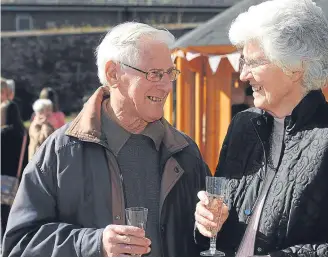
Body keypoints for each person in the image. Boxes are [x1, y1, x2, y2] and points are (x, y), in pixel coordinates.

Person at [194, 0, 328, 256]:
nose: (243, 75)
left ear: (294, 67)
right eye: (243, 62)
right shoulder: (243, 126)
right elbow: (224, 216)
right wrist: (208, 222)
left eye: (254, 63)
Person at [2, 22, 209, 257]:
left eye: (170, 74)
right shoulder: (61, 152)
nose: (166, 86)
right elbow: (19, 245)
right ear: (113, 74)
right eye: (154, 74)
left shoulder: (186, 152)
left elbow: (206, 241)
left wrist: (211, 227)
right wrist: (94, 244)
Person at [1, 84, 28, 240]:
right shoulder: (24, 133)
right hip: (17, 179)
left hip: (2, 177)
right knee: (14, 214)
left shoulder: (2, 133)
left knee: (2, 216)